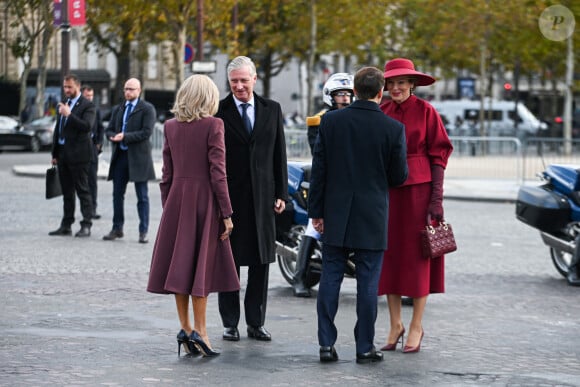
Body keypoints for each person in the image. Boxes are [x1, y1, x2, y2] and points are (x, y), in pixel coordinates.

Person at [309, 66, 408, 364]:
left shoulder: (332, 122)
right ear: (381, 92)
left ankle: (326, 344)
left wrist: (316, 211)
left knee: (330, 277)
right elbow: (399, 176)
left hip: (335, 210)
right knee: (367, 283)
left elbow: (320, 171)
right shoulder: (393, 128)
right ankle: (365, 346)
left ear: (354, 90)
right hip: (372, 212)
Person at [147, 74, 240, 358]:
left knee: (181, 266)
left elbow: (166, 175)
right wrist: (226, 212)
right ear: (207, 98)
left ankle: (186, 328)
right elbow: (218, 173)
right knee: (202, 266)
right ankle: (202, 330)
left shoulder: (171, 126)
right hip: (205, 203)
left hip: (177, 202)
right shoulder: (214, 125)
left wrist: (169, 208)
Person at [377, 58, 453, 353]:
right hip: (387, 194)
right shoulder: (381, 111)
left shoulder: (427, 112)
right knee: (389, 258)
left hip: (420, 194)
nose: (395, 88)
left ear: (412, 84)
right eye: (391, 83)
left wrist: (437, 199)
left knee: (420, 259)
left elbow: (439, 155)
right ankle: (395, 324)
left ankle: (417, 325)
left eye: (401, 82)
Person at [216, 56, 288, 343]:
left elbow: (278, 153)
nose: (239, 86)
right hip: (231, 201)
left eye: (244, 80)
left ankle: (256, 322)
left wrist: (281, 192)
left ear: (254, 79)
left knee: (261, 263)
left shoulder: (272, 109)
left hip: (263, 200)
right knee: (229, 262)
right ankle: (230, 323)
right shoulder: (218, 111)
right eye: (234, 81)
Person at [293, 72, 354, 298]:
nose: (345, 99)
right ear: (330, 96)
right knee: (315, 227)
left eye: (348, 95)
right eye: (340, 95)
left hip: (351, 182)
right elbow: (320, 155)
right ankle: (299, 277)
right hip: (327, 181)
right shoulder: (318, 121)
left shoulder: (356, 116)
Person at [103, 78, 156, 244]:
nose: (128, 92)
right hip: (120, 157)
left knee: (142, 196)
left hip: (139, 158)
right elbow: (109, 129)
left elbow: (146, 132)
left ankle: (143, 231)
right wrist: (112, 136)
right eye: (126, 89)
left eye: (131, 89)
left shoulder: (147, 109)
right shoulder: (118, 108)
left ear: (139, 90)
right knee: (117, 195)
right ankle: (117, 228)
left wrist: (125, 136)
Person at [48, 74, 96, 238]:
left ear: (77, 86)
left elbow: (87, 126)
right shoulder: (64, 104)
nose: (66, 90)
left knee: (83, 190)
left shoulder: (87, 106)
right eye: (64, 87)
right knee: (67, 192)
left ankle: (86, 225)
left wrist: (69, 115)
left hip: (80, 156)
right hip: (63, 155)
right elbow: (58, 129)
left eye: (69, 87)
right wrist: (55, 153)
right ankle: (66, 224)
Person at [81, 85, 104, 220]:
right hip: (79, 149)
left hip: (92, 149)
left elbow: (100, 128)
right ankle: (84, 208)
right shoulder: (77, 109)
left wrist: (98, 144)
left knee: (92, 181)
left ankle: (92, 209)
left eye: (91, 96)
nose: (89, 98)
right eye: (87, 96)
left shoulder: (96, 109)